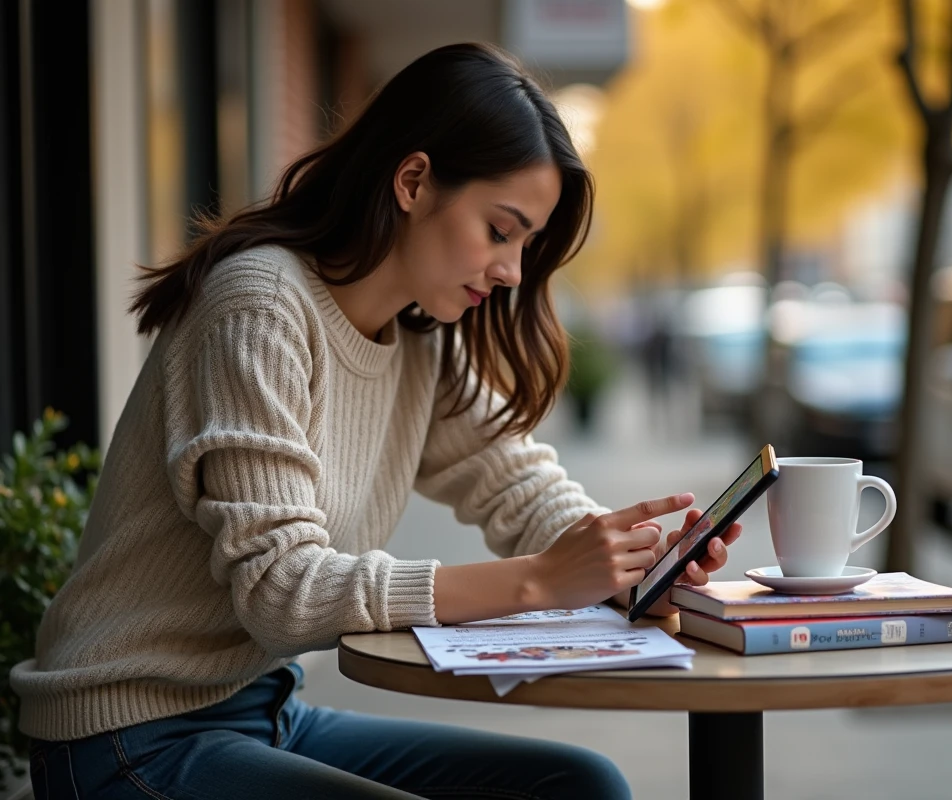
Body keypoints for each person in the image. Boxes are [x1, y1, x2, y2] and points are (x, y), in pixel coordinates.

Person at [12, 43, 740, 799]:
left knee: (577, 783)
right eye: (500, 230)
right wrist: (537, 583)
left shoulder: (421, 337)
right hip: (128, 739)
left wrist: (635, 565)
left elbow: (519, 486)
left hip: (262, 713)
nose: (513, 271)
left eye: (527, 244)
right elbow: (283, 593)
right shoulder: (258, 308)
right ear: (414, 181)